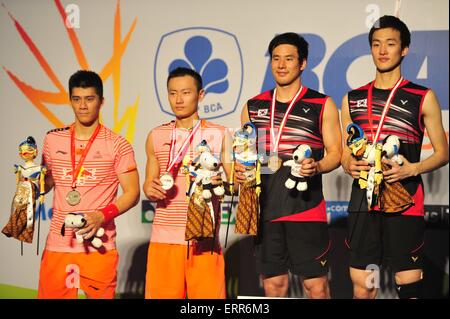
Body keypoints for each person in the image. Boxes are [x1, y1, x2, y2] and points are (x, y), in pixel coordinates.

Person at [341, 15, 449, 299]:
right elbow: (343, 155)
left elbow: (443, 153)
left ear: (404, 49)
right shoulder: (352, 99)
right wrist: (348, 163)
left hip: (405, 200)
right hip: (362, 204)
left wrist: (412, 169)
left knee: (409, 285)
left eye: (390, 44)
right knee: (363, 287)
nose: (383, 50)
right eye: (376, 44)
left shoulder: (422, 96)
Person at [237, 32, 342, 298]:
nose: (281, 65)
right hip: (266, 211)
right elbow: (244, 156)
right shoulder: (253, 107)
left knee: (315, 286)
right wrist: (239, 171)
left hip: (306, 209)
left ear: (302, 63)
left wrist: (316, 166)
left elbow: (335, 154)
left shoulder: (322, 104)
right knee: (274, 287)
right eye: (276, 59)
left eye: (289, 59)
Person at [38, 70, 140, 299]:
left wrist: (102, 215)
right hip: (58, 246)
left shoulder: (117, 144)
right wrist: (31, 186)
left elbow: (132, 194)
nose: (82, 106)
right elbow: (49, 181)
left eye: (89, 99)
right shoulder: (53, 139)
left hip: (99, 246)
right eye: (77, 99)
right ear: (70, 100)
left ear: (101, 101)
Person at [143, 67, 232, 299]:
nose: (178, 100)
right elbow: (149, 185)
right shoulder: (156, 135)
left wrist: (220, 183)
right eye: (172, 93)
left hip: (204, 239)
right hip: (164, 239)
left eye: (185, 92)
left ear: (200, 95)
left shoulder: (220, 134)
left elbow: (235, 184)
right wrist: (150, 189)